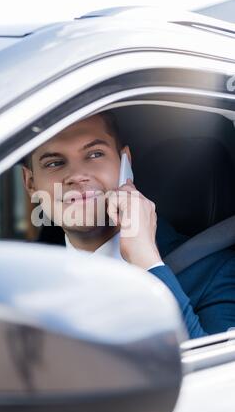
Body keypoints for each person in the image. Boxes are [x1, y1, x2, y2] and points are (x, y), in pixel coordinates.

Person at [22, 111, 235, 339]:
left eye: (94, 154)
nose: (76, 175)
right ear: (31, 183)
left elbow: (209, 373)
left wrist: (147, 261)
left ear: (126, 163)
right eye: (54, 163)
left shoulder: (216, 272)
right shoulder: (24, 282)